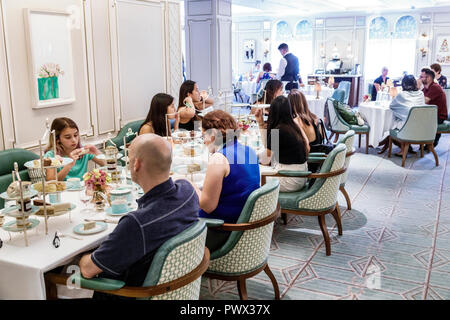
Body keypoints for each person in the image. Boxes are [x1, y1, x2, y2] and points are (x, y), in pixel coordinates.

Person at [79, 134, 199, 296]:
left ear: (136, 164)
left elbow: (87, 270)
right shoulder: (188, 191)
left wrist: (80, 257)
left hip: (131, 292)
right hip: (175, 288)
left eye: (129, 160)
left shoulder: (136, 224)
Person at [194, 110, 260, 251]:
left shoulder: (219, 159)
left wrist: (190, 186)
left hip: (220, 231)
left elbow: (207, 206)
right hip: (242, 225)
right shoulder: (249, 151)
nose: (204, 142)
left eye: (203, 136)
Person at [256, 96, 310, 192]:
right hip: (301, 177)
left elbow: (266, 159)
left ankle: (262, 206)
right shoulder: (293, 126)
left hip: (289, 179)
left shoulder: (278, 131)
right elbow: (268, 148)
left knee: (252, 175)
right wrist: (260, 123)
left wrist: (253, 155)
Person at [378, 75, 425, 155]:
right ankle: (405, 146)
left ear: (403, 84)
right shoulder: (421, 94)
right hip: (421, 126)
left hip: (407, 127)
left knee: (396, 121)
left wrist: (402, 112)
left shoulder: (402, 95)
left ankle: (402, 149)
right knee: (404, 119)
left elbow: (392, 106)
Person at [422, 68, 448, 148]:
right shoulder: (426, 88)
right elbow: (419, 97)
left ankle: (431, 142)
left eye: (422, 77)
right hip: (431, 114)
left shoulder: (435, 87)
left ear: (429, 78)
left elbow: (424, 100)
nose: (420, 78)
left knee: (415, 120)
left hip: (439, 116)